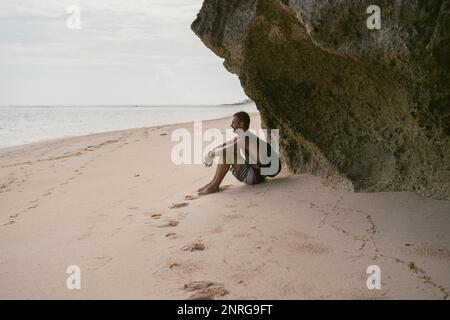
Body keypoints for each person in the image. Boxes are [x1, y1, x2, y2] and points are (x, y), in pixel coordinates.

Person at [197, 111, 281, 195]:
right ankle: (212, 183)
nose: (231, 125)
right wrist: (209, 154)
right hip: (257, 173)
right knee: (226, 151)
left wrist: (210, 155)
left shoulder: (246, 139)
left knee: (227, 154)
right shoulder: (244, 136)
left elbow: (225, 150)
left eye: (233, 123)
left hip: (255, 177)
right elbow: (224, 145)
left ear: (241, 124)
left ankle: (214, 186)